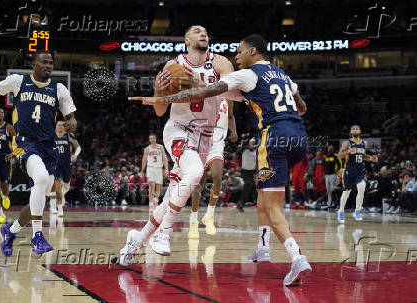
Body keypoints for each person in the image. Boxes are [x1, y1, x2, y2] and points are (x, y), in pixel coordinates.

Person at [130, 34, 311, 286]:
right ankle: (262, 244)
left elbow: (206, 90)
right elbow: (301, 107)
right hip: (299, 138)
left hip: (274, 138)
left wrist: (163, 99)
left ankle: (297, 258)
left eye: (240, 51)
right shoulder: (284, 76)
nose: (236, 56)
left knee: (273, 207)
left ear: (254, 52)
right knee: (263, 194)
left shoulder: (247, 75)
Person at [119, 24, 235, 263]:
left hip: (206, 136)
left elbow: (226, 92)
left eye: (205, 31)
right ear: (186, 40)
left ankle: (136, 241)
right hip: (179, 130)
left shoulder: (221, 63)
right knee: (193, 173)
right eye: (196, 31)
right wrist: (160, 92)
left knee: (171, 196)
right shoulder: (172, 66)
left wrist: (196, 82)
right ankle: (164, 233)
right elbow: (160, 110)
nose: (203, 33)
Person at [0, 51, 77, 257]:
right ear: (34, 64)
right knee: (43, 179)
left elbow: (71, 117)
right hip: (24, 142)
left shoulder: (59, 89)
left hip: (48, 146)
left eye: (51, 62)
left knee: (40, 196)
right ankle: (37, 237)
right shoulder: (19, 81)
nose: (48, 65)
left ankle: (10, 231)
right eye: (43, 62)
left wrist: (72, 123)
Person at [189, 98, 238, 238]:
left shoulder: (228, 98)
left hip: (217, 144)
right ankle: (193, 220)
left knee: (217, 178)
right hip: (201, 142)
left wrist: (233, 130)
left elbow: (230, 116)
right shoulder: (205, 95)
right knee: (198, 184)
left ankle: (209, 214)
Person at [337, 125, 378, 223]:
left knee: (362, 187)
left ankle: (357, 210)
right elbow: (339, 156)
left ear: (360, 131)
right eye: (353, 129)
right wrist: (348, 151)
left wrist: (372, 158)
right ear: (351, 132)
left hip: (360, 170)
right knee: (346, 192)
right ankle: (341, 210)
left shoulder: (364, 143)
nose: (355, 130)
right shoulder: (347, 143)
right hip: (349, 171)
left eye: (357, 128)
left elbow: (363, 156)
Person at [49, 120, 81, 216]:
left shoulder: (68, 135)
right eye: (58, 125)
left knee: (66, 186)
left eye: (62, 125)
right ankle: (57, 208)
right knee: (56, 187)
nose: (60, 127)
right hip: (55, 164)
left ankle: (60, 198)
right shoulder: (51, 136)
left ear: (65, 127)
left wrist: (75, 155)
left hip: (67, 164)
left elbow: (78, 147)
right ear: (56, 126)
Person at [141, 134, 169, 209]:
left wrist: (166, 168)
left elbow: (164, 158)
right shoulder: (147, 149)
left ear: (156, 139)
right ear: (149, 140)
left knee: (158, 187)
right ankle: (150, 203)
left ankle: (156, 199)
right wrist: (142, 170)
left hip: (159, 169)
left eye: (153, 138)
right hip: (150, 169)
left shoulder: (160, 147)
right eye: (150, 138)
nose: (152, 139)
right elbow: (144, 160)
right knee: (150, 186)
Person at [237, 137, 257, 212]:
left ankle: (241, 203)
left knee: (249, 188)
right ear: (248, 143)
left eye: (254, 143)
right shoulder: (244, 149)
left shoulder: (256, 150)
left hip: (252, 171)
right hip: (245, 171)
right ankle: (241, 203)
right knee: (247, 185)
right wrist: (237, 166)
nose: (253, 144)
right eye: (251, 143)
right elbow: (235, 155)